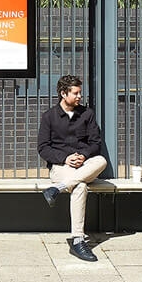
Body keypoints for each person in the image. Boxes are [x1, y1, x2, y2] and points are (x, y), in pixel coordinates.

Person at [37, 74, 108, 262]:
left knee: (101, 161)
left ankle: (57, 189)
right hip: (61, 167)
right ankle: (78, 240)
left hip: (84, 165)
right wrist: (66, 158)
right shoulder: (49, 117)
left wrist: (83, 156)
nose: (79, 97)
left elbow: (95, 143)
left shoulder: (87, 114)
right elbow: (43, 148)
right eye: (75, 93)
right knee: (80, 186)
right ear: (63, 93)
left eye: (79, 93)